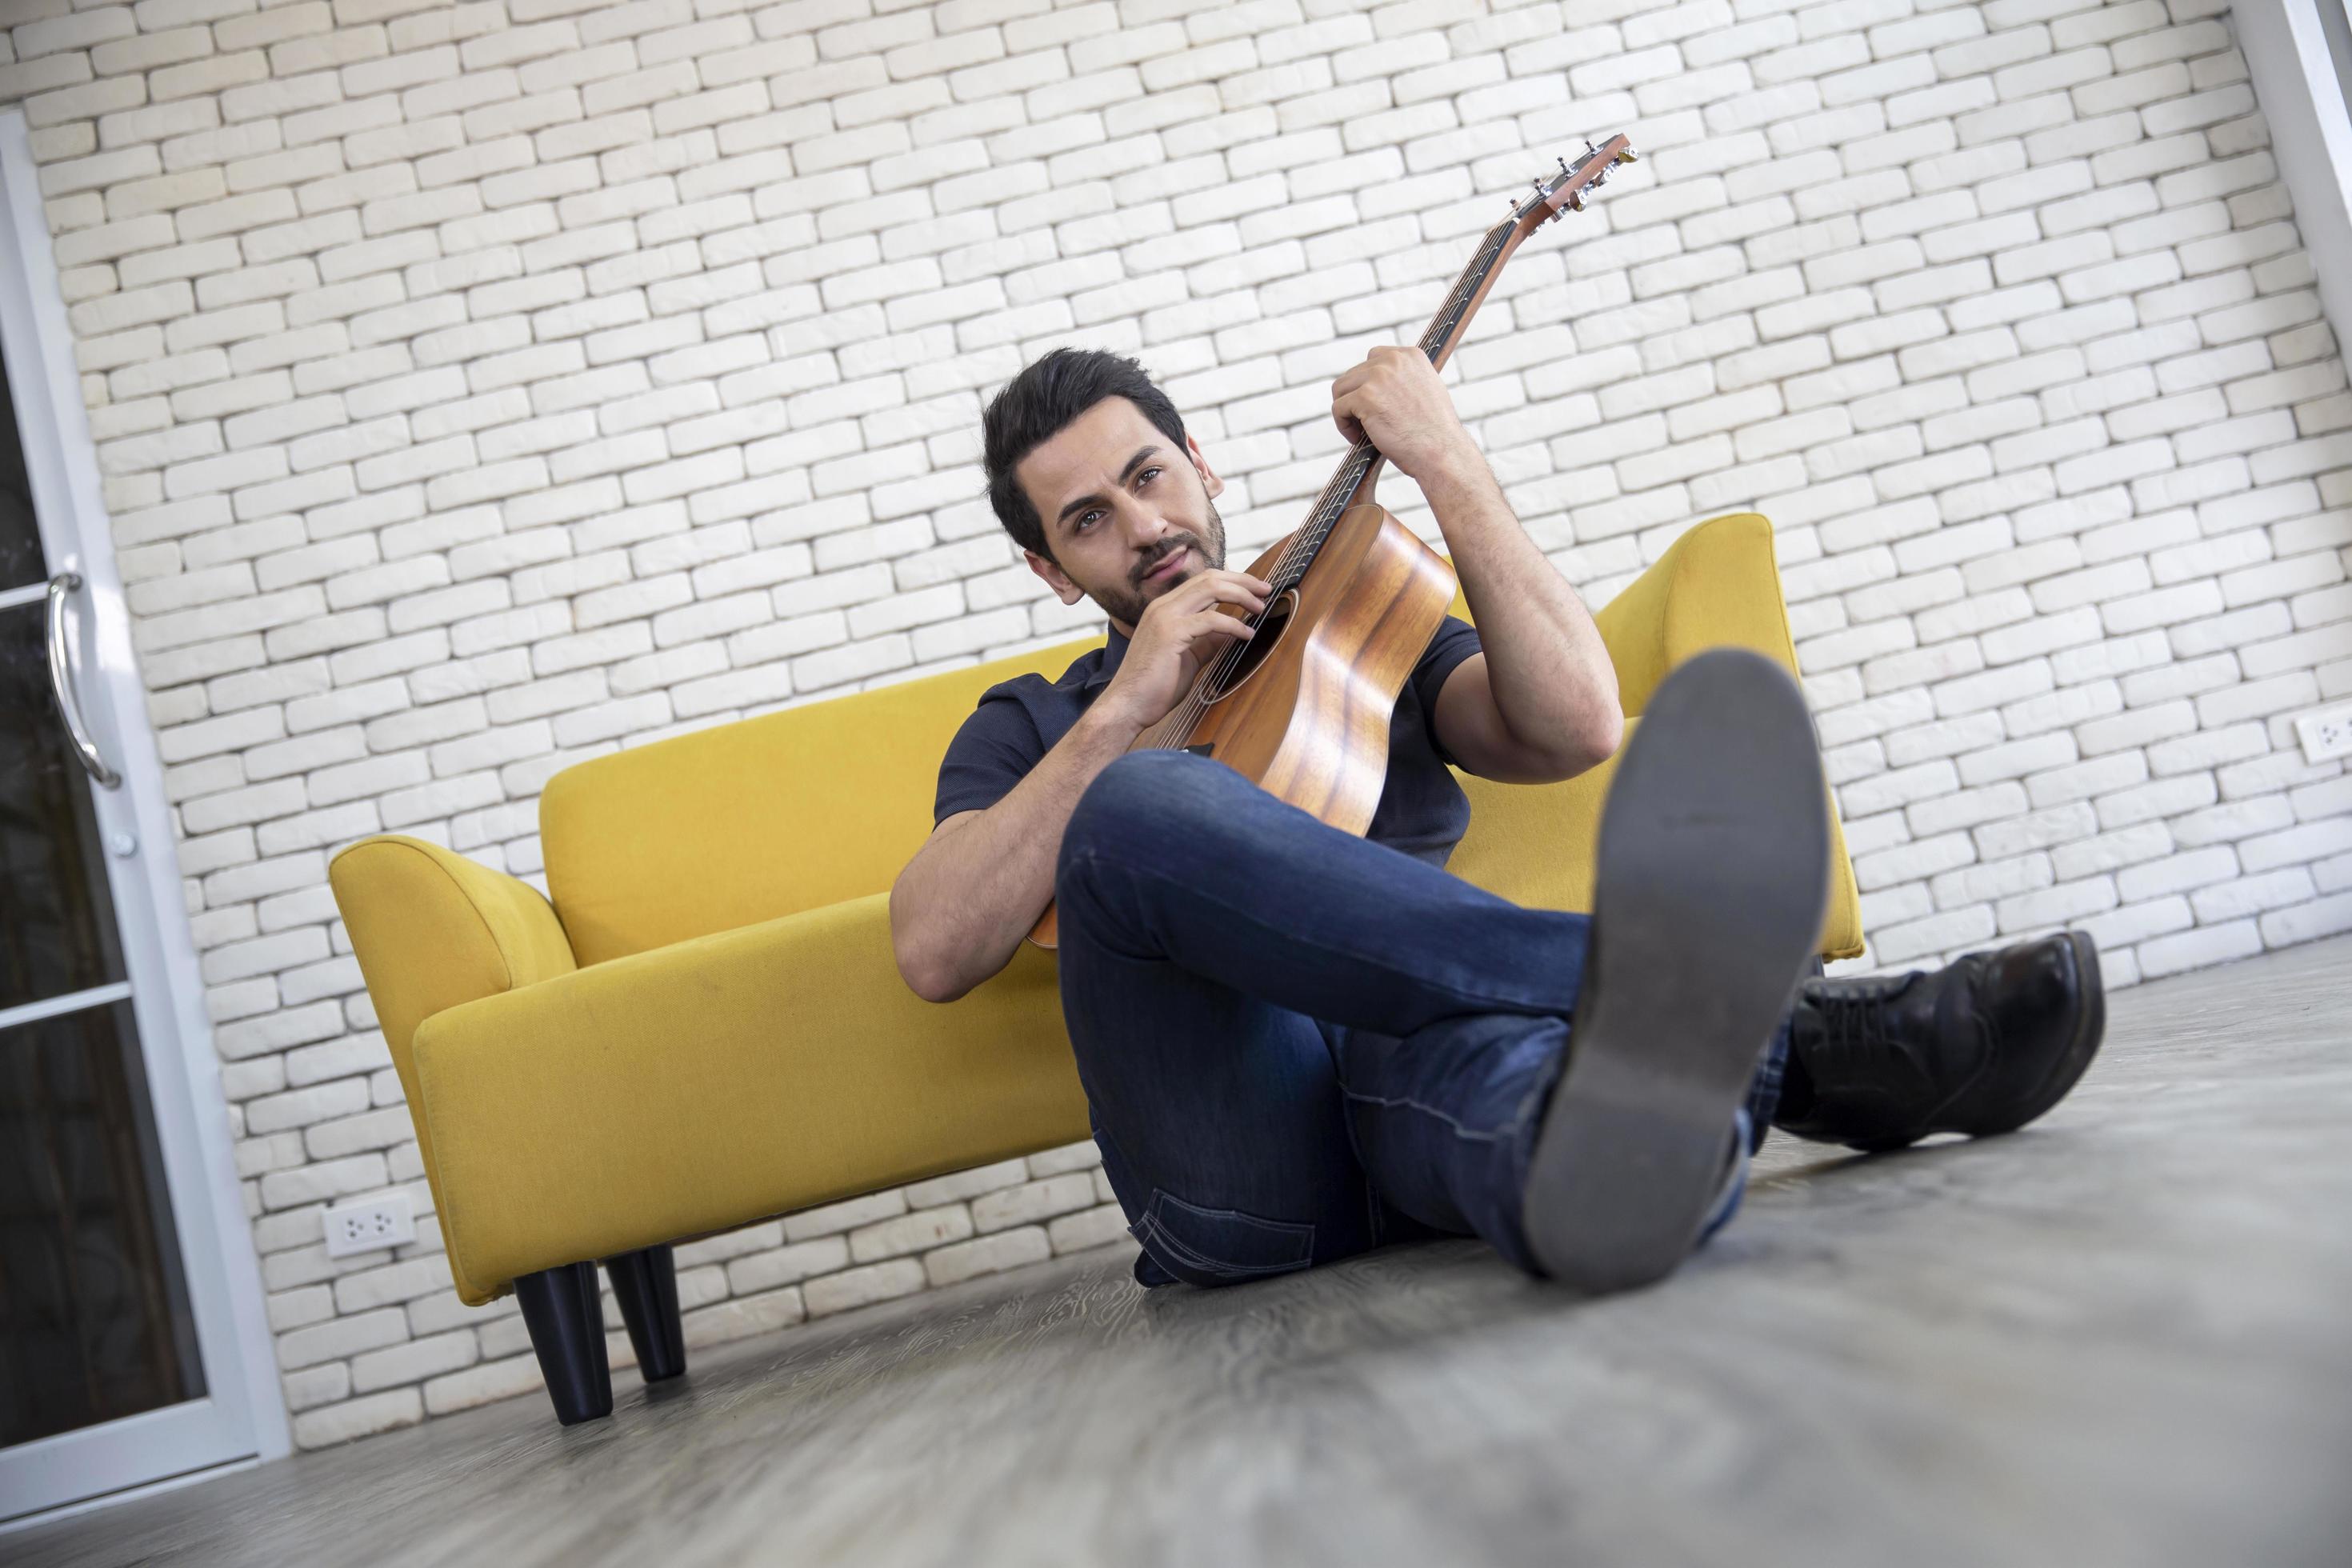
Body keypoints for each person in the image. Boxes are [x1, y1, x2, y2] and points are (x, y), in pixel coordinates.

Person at [888, 346, 2106, 1295]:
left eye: (1147, 474)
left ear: (1201, 463)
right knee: (1144, 802)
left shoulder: (1346, 618)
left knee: (1530, 1092)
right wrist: (1124, 716)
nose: (1143, 525)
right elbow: (935, 949)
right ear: (1053, 571)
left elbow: (1577, 725)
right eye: (1086, 518)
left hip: (1428, 1072)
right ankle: (1790, 1033)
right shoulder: (1033, 723)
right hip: (1237, 1175)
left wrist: (1449, 465)